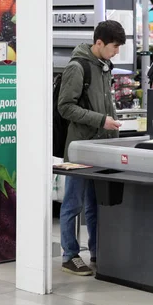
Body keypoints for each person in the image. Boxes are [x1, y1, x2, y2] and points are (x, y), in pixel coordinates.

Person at [58, 20, 125, 275]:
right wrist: (101, 120)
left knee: (96, 204)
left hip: (101, 146)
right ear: (99, 43)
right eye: (114, 46)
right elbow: (65, 107)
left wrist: (113, 126)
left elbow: (105, 104)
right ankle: (69, 255)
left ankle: (97, 251)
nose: (116, 51)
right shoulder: (78, 67)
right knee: (73, 203)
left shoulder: (104, 66)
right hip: (79, 148)